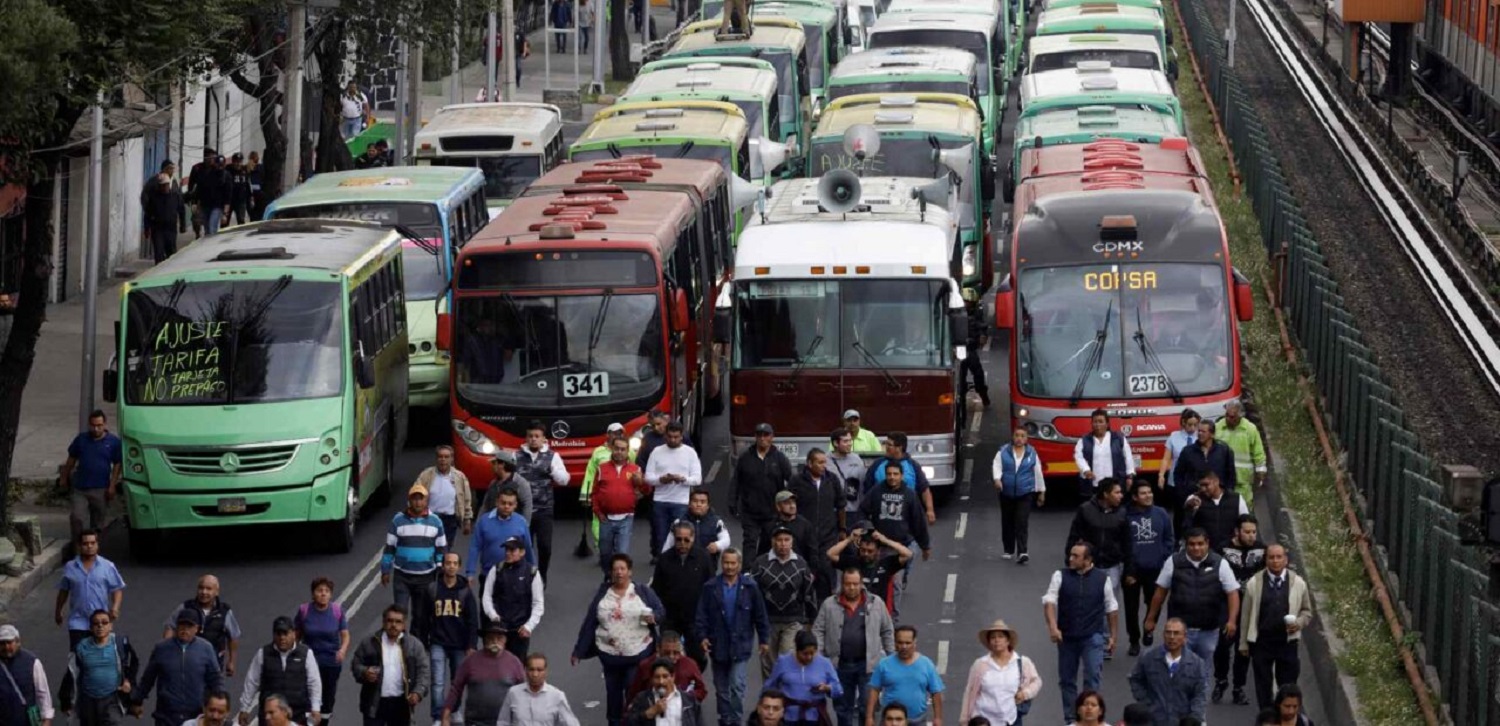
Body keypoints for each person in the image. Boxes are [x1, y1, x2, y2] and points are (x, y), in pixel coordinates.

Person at [573, 553, 667, 726]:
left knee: (633, 692)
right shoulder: (603, 594)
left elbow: (660, 611)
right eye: (615, 569)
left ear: (630, 571)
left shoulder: (642, 591)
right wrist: (578, 651)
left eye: (622, 569)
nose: (619, 572)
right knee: (613, 696)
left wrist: (654, 617)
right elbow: (590, 622)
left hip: (637, 656)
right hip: (610, 658)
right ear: (610, 573)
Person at [1142, 528, 1241, 670]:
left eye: (1200, 544)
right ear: (1186, 545)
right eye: (1192, 544)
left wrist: (1231, 621)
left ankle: (1200, 692)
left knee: (1202, 669)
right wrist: (1151, 618)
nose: (1196, 548)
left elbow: (1232, 593)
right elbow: (1160, 592)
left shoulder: (1220, 564)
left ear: (1208, 544)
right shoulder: (1174, 562)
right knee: (1178, 668)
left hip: (1209, 629)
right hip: (1180, 629)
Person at [1042, 542, 1118, 724]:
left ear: (1088, 560)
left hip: (1093, 636)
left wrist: (1113, 636)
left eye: (1076, 556)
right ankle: (1071, 719)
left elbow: (1111, 608)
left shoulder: (1102, 579)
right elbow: (1049, 601)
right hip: (1066, 636)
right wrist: (1053, 627)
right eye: (1071, 555)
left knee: (1092, 677)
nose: (1071, 559)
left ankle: (1093, 718)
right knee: (1067, 680)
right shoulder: (1060, 575)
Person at [694, 548, 771, 726]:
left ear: (739, 564)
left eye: (733, 563)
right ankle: (724, 719)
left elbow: (760, 615)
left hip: (741, 646)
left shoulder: (750, 587)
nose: (729, 566)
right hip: (718, 645)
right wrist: (702, 637)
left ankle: (735, 720)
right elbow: (701, 615)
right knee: (721, 690)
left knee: (737, 686)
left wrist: (764, 639)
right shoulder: (710, 587)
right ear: (722, 564)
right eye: (726, 562)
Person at [811, 568, 895, 726]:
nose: (852, 587)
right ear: (842, 584)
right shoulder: (829, 604)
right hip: (840, 665)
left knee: (867, 706)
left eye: (855, 584)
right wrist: (820, 659)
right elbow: (818, 630)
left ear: (861, 583)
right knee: (842, 707)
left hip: (868, 666)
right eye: (848, 584)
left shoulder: (876, 603)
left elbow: (887, 630)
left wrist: (891, 658)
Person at [1237, 545, 1312, 709]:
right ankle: (1267, 718)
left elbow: (1307, 612)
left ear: (1286, 559)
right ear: (1266, 560)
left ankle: (1284, 718)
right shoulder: (1254, 583)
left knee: (1287, 685)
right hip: (1262, 642)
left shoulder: (1298, 583)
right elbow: (1245, 615)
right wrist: (1243, 642)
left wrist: (1298, 624)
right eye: (1271, 557)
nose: (1275, 561)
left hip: (1287, 642)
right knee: (1263, 685)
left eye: (1279, 557)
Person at [415, 553, 478, 722]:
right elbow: (424, 617)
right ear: (443, 566)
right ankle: (437, 716)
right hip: (438, 642)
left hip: (459, 644)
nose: (451, 566)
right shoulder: (433, 589)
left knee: (456, 682)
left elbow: (473, 620)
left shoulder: (465, 591)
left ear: (458, 567)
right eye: (448, 563)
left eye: (454, 563)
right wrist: (423, 642)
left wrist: (472, 645)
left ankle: (454, 711)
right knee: (437, 682)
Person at [133, 609, 223, 726]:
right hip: (166, 715)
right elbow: (148, 678)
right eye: (182, 625)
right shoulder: (161, 648)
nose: (185, 629)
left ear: (197, 628)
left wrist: (221, 703)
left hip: (195, 714)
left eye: (189, 626)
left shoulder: (206, 648)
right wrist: (137, 700)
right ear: (176, 626)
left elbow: (215, 678)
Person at [351, 604, 431, 726]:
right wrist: (364, 672)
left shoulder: (414, 646)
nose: (393, 625)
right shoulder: (369, 643)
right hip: (375, 703)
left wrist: (418, 692)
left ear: (404, 625)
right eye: (390, 621)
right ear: (383, 622)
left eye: (398, 622)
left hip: (401, 704)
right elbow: (356, 663)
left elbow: (424, 671)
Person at [752, 526, 817, 678]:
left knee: (786, 661)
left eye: (786, 540)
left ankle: (784, 696)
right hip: (767, 621)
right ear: (773, 541)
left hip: (792, 621)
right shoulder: (760, 563)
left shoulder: (801, 564)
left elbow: (809, 592)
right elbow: (752, 593)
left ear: (792, 542)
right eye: (779, 540)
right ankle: (769, 696)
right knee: (767, 662)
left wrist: (811, 620)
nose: (783, 544)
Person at [1215, 515, 1266, 705]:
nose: (1251, 536)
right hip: (1225, 606)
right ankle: (1220, 680)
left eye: (1254, 532)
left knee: (1244, 649)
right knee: (1222, 645)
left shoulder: (1262, 550)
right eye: (1247, 532)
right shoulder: (1222, 549)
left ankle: (1238, 687)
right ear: (1237, 531)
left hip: (1250, 607)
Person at [653, 523, 717, 669]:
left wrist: (709, 616)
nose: (682, 543)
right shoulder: (664, 559)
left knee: (697, 657)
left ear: (693, 538)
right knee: (667, 657)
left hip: (695, 617)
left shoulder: (703, 558)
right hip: (670, 618)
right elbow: (656, 589)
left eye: (686, 540)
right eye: (678, 539)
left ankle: (692, 685)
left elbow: (711, 588)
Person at [236, 616, 321, 726]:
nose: (282, 638)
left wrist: (315, 708)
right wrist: (244, 708)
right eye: (278, 634)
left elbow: (314, 682)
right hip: (269, 717)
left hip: (297, 714)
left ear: (293, 633)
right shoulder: (263, 654)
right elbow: (252, 682)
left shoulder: (306, 654)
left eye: (285, 633)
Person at [59, 610, 139, 726]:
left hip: (112, 698)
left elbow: (134, 662)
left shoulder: (119, 644)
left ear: (110, 626)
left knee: (112, 722)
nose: (100, 626)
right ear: (91, 628)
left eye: (104, 622)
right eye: (96, 623)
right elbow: (72, 672)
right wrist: (65, 700)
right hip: (88, 700)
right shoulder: (82, 647)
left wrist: (128, 681)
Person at [728, 422, 793, 564]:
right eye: (759, 435)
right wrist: (732, 502)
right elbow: (736, 481)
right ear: (755, 437)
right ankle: (747, 573)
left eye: (766, 435)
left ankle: (762, 571)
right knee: (750, 542)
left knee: (767, 543)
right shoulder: (745, 458)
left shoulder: (780, 458)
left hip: (772, 512)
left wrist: (789, 503)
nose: (762, 438)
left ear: (772, 437)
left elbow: (792, 481)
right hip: (750, 511)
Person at [381, 483, 447, 620]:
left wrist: (441, 571)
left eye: (420, 499)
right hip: (402, 576)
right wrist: (385, 570)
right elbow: (390, 547)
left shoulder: (436, 522)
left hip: (426, 577)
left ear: (426, 500)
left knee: (421, 615)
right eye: (414, 499)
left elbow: (441, 549)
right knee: (400, 613)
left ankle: (418, 641)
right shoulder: (398, 520)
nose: (417, 502)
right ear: (409, 500)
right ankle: (401, 640)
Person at [958, 619, 1041, 726]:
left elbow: (1037, 681)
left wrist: (1025, 694)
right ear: (989, 642)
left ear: (1008, 641)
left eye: (1001, 636)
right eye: (993, 637)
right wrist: (964, 720)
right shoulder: (980, 664)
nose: (997, 640)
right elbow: (969, 691)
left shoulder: (1022, 663)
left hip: (1010, 719)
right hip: (983, 719)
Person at [515, 421, 572, 580]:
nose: (533, 439)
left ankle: (542, 575)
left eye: (537, 436)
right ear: (526, 438)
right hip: (522, 511)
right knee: (524, 547)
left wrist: (554, 471)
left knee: (545, 547)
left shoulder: (552, 456)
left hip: (544, 509)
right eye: (530, 436)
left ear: (543, 439)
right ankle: (526, 576)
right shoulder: (516, 456)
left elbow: (565, 479)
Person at [1124, 481, 1174, 658]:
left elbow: (1169, 539)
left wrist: (1163, 558)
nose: (1148, 496)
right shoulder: (1126, 516)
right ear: (1135, 497)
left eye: (1149, 492)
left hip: (1156, 570)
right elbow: (1122, 544)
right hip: (1132, 571)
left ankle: (1148, 627)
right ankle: (1134, 640)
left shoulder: (1161, 514)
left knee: (1154, 603)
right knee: (1131, 608)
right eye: (1143, 493)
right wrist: (1128, 570)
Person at [1065, 479, 1133, 605]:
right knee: (1089, 602)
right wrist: (1070, 560)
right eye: (1117, 492)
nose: (1121, 496)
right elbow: (1074, 536)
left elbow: (1128, 542)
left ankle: (1109, 626)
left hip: (1113, 566)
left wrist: (1129, 570)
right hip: (1090, 566)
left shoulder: (1122, 513)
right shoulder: (1085, 510)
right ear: (1106, 494)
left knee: (1110, 604)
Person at [1126, 618, 1207, 726]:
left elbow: (1200, 693)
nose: (1172, 637)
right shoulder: (1149, 657)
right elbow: (1135, 678)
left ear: (1184, 637)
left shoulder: (1196, 663)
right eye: (1168, 632)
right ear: (1163, 635)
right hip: (1154, 720)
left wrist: (1194, 718)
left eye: (1176, 633)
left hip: (1181, 721)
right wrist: (1146, 703)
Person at [441, 625, 526, 726]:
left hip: (506, 721)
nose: (495, 641)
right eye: (491, 638)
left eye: (499, 638)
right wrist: (445, 717)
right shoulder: (470, 661)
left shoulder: (514, 662)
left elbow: (524, 691)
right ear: (485, 640)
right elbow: (455, 689)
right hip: (475, 722)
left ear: (505, 640)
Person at [789, 447, 845, 601]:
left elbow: (841, 505)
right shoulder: (797, 481)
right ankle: (803, 604)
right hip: (804, 535)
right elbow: (790, 504)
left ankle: (825, 604)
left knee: (825, 570)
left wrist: (842, 529)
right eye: (819, 463)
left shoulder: (832, 480)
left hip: (828, 534)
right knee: (804, 569)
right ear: (809, 463)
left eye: (824, 462)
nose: (823, 466)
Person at [55, 529, 126, 649]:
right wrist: (58, 611)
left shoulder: (107, 566)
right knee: (77, 657)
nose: (89, 546)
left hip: (100, 623)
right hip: (77, 622)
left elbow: (117, 588)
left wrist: (115, 608)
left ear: (97, 545)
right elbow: (64, 591)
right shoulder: (70, 567)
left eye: (93, 543)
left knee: (99, 657)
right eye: (85, 544)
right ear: (79, 545)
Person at [60, 410, 122, 542]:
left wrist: (112, 485)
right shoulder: (81, 440)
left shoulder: (113, 442)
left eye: (99, 425)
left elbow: (117, 464)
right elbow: (71, 459)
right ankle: (78, 548)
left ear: (105, 424)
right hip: (80, 487)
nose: (96, 428)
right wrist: (64, 477)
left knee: (98, 523)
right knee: (77, 518)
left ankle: (93, 550)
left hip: (100, 489)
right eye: (93, 425)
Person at [160, 575, 241, 676]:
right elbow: (170, 627)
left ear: (216, 592)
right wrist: (165, 651)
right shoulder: (186, 607)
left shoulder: (225, 612)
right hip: (187, 662)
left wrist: (231, 661)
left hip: (213, 663)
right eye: (201, 588)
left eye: (209, 589)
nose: (204, 592)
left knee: (213, 690)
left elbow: (233, 636)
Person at [294, 578, 348, 725]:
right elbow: (296, 635)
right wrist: (294, 653)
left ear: (330, 595)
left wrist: (342, 651)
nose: (323, 594)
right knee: (308, 696)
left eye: (326, 591)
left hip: (330, 663)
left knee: (327, 697)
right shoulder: (304, 611)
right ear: (313, 594)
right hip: (309, 662)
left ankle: (323, 722)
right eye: (319, 591)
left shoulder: (337, 611)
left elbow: (345, 635)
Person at [865, 625, 944, 726]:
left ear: (914, 642)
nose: (904, 647)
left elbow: (936, 692)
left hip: (917, 720)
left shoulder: (926, 664)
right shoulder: (884, 664)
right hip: (891, 720)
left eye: (908, 643)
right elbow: (874, 690)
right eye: (900, 642)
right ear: (895, 642)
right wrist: (869, 717)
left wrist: (938, 718)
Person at [482, 536, 545, 661]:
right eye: (506, 550)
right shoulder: (497, 569)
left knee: (517, 667)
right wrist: (493, 616)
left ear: (522, 552)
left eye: (512, 550)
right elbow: (487, 596)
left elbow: (538, 603)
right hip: (499, 629)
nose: (508, 553)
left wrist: (529, 626)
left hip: (520, 630)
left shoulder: (532, 573)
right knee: (496, 665)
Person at [827, 524, 912, 616]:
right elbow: (831, 554)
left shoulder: (886, 564)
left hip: (877, 613)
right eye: (863, 550)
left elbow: (908, 554)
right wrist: (849, 539)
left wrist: (885, 540)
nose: (866, 554)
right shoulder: (852, 562)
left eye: (870, 551)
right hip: (854, 613)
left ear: (878, 551)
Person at [593, 435, 649, 573]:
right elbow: (594, 493)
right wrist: (598, 512)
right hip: (605, 519)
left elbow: (647, 491)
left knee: (622, 554)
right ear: (612, 449)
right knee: (605, 553)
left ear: (627, 451)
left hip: (626, 518)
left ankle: (619, 581)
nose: (619, 452)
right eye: (617, 448)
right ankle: (608, 577)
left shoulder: (635, 469)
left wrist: (641, 482)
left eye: (623, 449)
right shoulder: (601, 468)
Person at [993, 427, 1046, 563]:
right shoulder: (1003, 451)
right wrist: (997, 479)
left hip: (1025, 493)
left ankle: (1022, 552)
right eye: (1017, 435)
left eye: (1022, 436)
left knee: (1021, 521)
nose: (1019, 438)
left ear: (1026, 439)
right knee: (1007, 521)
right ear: (1013, 437)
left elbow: (1038, 472)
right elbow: (997, 466)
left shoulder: (1032, 453)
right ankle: (1008, 549)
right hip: (1007, 493)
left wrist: (1041, 492)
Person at [860, 434, 935, 527]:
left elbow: (924, 489)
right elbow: (867, 490)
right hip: (882, 518)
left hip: (907, 517)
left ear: (899, 448)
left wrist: (930, 510)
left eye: (889, 444)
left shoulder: (913, 465)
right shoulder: (877, 465)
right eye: (885, 443)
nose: (885, 447)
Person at [765, 631, 842, 723]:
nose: (809, 657)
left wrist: (828, 688)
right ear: (797, 650)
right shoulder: (783, 662)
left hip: (815, 718)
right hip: (788, 717)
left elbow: (839, 689)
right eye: (805, 654)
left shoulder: (825, 663)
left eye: (812, 653)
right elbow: (769, 686)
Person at [467, 487, 537, 587]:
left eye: (510, 504)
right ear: (497, 502)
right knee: (486, 602)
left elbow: (527, 547)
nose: (506, 506)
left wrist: (533, 570)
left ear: (515, 505)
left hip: (515, 576)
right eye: (503, 503)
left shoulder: (521, 522)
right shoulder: (484, 521)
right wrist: (470, 572)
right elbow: (475, 547)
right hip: (488, 574)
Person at [581, 423, 633, 556]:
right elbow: (590, 473)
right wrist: (585, 495)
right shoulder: (598, 452)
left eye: (621, 433)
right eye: (615, 433)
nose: (618, 435)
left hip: (621, 501)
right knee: (598, 524)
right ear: (608, 434)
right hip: (601, 498)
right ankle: (603, 548)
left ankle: (616, 551)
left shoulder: (630, 452)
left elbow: (633, 470)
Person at [413, 446, 474, 552]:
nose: (443, 460)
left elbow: (466, 499)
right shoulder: (426, 475)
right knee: (428, 549)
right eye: (440, 456)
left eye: (446, 457)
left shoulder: (460, 477)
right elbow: (415, 493)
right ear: (436, 459)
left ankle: (441, 568)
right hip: (429, 518)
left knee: (445, 550)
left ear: (452, 459)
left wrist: (467, 520)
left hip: (449, 520)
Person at [495, 653, 580, 725]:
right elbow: (503, 722)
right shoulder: (513, 693)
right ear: (525, 671)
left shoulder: (556, 696)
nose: (535, 674)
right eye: (531, 669)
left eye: (539, 670)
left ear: (545, 671)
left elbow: (571, 723)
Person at [626, 631, 708, 704]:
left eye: (676, 653)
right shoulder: (645, 666)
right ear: (658, 649)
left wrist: (684, 697)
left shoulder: (690, 664)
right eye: (667, 653)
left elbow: (701, 691)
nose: (671, 657)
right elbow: (633, 696)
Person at [1072, 409, 1136, 498]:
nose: (1098, 425)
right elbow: (1078, 456)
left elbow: (1128, 457)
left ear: (1107, 424)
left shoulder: (1118, 438)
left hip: (1115, 484)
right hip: (1094, 484)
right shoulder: (1084, 440)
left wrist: (1129, 476)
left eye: (1101, 421)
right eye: (1095, 422)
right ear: (1091, 424)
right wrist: (1085, 469)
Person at [0, 624, 55, 726]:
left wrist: (46, 719)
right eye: (2, 643)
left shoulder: (32, 662)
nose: (6, 647)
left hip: (27, 720)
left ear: (17, 642)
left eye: (9, 642)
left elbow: (42, 692)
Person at [1180, 472, 1248, 552]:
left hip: (1230, 551)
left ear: (1216, 482)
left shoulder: (1236, 499)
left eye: (1206, 485)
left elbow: (1246, 523)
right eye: (1200, 485)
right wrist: (1189, 508)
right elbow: (1186, 526)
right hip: (1204, 552)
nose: (1203, 489)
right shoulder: (1194, 499)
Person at [1216, 401, 1267, 507]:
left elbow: (1258, 453)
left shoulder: (1250, 429)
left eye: (1232, 417)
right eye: (1227, 415)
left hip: (1243, 479)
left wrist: (1261, 473)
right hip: (1222, 478)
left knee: (1244, 507)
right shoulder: (1218, 427)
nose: (1228, 419)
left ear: (1240, 416)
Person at [1170, 421, 1237, 499]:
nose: (1200, 434)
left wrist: (1228, 493)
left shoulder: (1223, 451)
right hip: (1195, 497)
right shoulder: (1187, 451)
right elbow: (1178, 474)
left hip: (1218, 497)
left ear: (1212, 434)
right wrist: (1183, 493)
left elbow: (1231, 475)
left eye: (1203, 432)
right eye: (1199, 431)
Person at [627, 658, 704, 725]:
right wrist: (647, 714)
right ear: (651, 679)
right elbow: (628, 722)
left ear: (673, 677)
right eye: (657, 677)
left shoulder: (689, 700)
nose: (661, 682)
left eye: (665, 676)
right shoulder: (642, 699)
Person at [662, 489, 731, 557]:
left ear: (708, 506)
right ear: (689, 504)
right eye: (695, 501)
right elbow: (668, 545)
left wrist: (717, 545)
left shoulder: (717, 522)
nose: (698, 504)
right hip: (684, 563)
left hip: (708, 564)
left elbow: (726, 540)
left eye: (702, 502)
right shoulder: (678, 522)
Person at [1157, 410, 1200, 513]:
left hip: (1195, 481)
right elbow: (1166, 459)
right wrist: (1161, 475)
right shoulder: (1174, 437)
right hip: (1176, 481)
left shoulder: (1200, 437)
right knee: (1179, 512)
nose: (1192, 428)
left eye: (1195, 425)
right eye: (1190, 425)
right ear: (1183, 422)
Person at [760, 491, 819, 563]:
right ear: (778, 506)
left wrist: (811, 572)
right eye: (787, 503)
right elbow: (762, 553)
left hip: (799, 569)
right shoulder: (769, 526)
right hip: (774, 569)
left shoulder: (805, 525)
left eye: (794, 502)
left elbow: (813, 552)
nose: (792, 506)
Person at [142, 171, 185, 263]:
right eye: (161, 185)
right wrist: (146, 228)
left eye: (165, 185)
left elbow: (181, 210)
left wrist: (183, 225)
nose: (164, 187)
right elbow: (148, 214)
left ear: (168, 184)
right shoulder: (154, 198)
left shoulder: (175, 196)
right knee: (159, 252)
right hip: (158, 229)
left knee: (171, 253)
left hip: (171, 229)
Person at [480, 450, 533, 521]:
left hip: (512, 527)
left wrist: (524, 527)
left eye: (494, 463)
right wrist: (479, 524)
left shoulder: (520, 483)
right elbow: (485, 506)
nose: (492, 466)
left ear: (502, 464)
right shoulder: (493, 483)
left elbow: (527, 506)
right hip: (493, 526)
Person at [828, 429, 869, 520]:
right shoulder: (826, 461)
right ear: (835, 443)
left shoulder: (856, 459)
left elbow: (863, 483)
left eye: (850, 440)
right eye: (845, 441)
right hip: (833, 511)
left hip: (854, 510)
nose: (850, 444)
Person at [959, 327, 991, 407]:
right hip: (959, 346)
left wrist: (982, 334)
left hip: (969, 347)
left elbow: (979, 322)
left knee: (978, 372)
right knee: (960, 375)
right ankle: (961, 398)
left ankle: (983, 394)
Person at [635, 410, 672, 476]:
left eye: (658, 424)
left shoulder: (677, 434)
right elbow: (640, 461)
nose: (656, 428)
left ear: (665, 420)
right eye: (652, 426)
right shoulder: (647, 438)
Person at [226, 154, 252, 226]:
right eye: (236, 162)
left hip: (241, 200)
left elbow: (248, 184)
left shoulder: (245, 170)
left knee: (241, 221)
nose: (238, 164)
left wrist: (250, 197)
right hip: (229, 200)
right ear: (233, 162)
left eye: (240, 162)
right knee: (225, 221)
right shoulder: (228, 170)